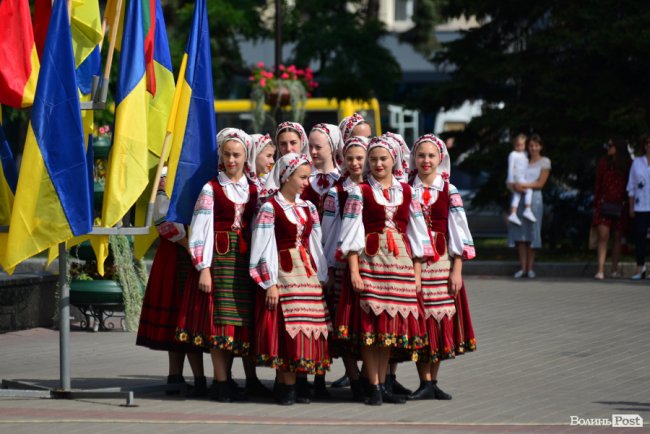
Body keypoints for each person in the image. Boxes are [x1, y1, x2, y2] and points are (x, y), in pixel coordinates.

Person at [336, 136, 431, 406]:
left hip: (399, 264)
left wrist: (417, 273)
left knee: (388, 327)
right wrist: (354, 271)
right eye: (374, 159)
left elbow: (417, 235)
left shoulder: (407, 192)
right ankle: (374, 386)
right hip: (371, 262)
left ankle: (381, 384)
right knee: (371, 327)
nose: (378, 164)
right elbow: (351, 233)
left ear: (394, 161)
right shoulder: (360, 191)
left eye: (383, 159)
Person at [182, 128, 265, 402]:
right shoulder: (211, 188)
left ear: (246, 156)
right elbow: (200, 230)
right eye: (227, 154)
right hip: (220, 261)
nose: (232, 160)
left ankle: (247, 381)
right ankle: (221, 382)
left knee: (243, 321)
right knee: (222, 323)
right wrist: (203, 267)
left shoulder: (254, 189)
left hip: (246, 262)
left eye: (237, 155)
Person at [250, 153, 331, 405]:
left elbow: (315, 244)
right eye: (302, 177)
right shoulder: (269, 207)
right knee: (286, 330)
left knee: (306, 330)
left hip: (305, 275)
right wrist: (269, 282)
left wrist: (321, 275)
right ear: (286, 176)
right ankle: (285, 387)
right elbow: (262, 247)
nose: (307, 182)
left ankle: (295, 384)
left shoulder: (307, 208)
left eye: (307, 177)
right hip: (283, 274)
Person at [407, 134, 476, 401]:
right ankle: (423, 380)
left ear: (440, 159)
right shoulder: (406, 189)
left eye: (431, 156)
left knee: (438, 321)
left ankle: (432, 380)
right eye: (421, 155)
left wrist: (456, 270)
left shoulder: (450, 191)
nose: (426, 160)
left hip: (441, 264)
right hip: (415, 265)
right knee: (420, 321)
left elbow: (459, 232)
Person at [136, 168, 206, 397]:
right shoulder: (166, 180)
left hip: (187, 254)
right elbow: (163, 218)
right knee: (178, 317)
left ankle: (197, 378)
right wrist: (188, 245)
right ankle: (176, 376)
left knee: (188, 319)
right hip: (176, 257)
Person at [321, 135, 369, 401]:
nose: (354, 163)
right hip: (342, 265)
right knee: (346, 324)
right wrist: (328, 268)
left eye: (359, 158)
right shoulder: (336, 191)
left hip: (373, 265)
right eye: (349, 158)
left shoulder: (377, 187)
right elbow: (327, 234)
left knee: (369, 324)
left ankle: (375, 377)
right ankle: (354, 377)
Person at [507, 134, 551, 278]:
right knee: (520, 235)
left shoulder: (545, 162)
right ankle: (523, 267)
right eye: (531, 145)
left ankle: (530, 268)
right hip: (520, 199)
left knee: (532, 233)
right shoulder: (523, 160)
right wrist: (515, 186)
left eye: (536, 145)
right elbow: (512, 179)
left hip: (534, 200)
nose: (533, 148)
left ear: (541, 146)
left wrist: (523, 185)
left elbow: (540, 183)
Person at [592, 137, 631, 280]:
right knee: (603, 236)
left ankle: (614, 269)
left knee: (617, 237)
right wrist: (596, 204)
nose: (608, 148)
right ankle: (600, 269)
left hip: (620, 205)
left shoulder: (627, 164)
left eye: (610, 145)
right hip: (604, 204)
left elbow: (630, 185)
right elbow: (598, 184)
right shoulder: (604, 163)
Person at [626, 133, 650, 279]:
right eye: (647, 142)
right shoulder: (637, 162)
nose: (649, 145)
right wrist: (631, 206)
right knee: (640, 237)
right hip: (641, 206)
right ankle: (640, 268)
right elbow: (631, 186)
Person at [507, 133, 536, 226]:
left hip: (523, 177)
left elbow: (526, 166)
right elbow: (510, 168)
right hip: (517, 178)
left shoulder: (525, 154)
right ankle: (527, 209)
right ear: (515, 145)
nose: (520, 147)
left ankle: (513, 213)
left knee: (517, 195)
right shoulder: (513, 154)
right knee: (529, 191)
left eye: (522, 145)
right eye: (518, 145)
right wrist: (510, 180)